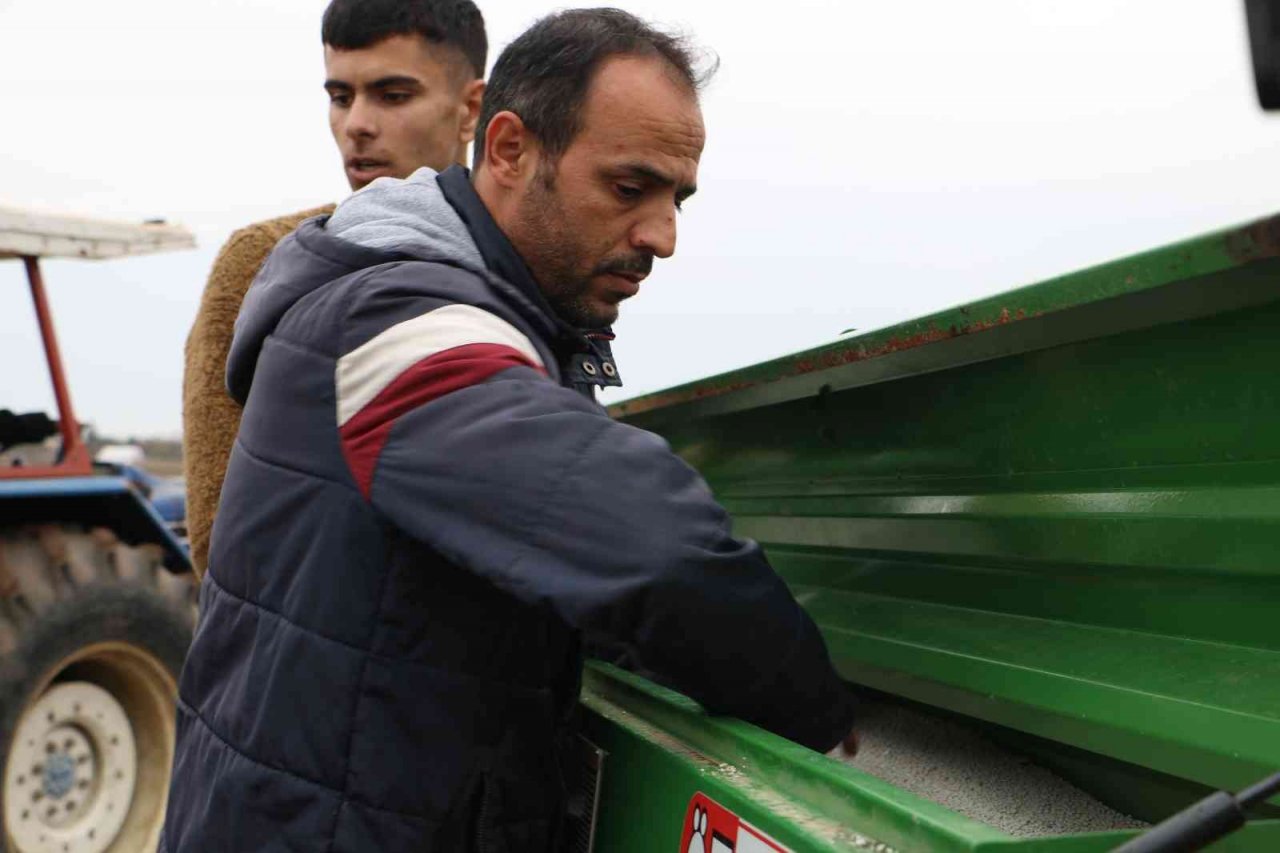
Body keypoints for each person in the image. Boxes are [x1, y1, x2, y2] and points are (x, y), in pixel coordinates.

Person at [161, 9, 857, 852]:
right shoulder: (394, 318)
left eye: (679, 197)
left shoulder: (468, 312)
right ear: (507, 149)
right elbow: (646, 540)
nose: (663, 236)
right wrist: (818, 712)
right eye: (630, 187)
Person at [181, 0, 486, 578]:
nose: (356, 125)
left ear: (471, 108)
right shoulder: (261, 263)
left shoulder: (529, 271)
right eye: (340, 97)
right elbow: (217, 533)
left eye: (392, 96)